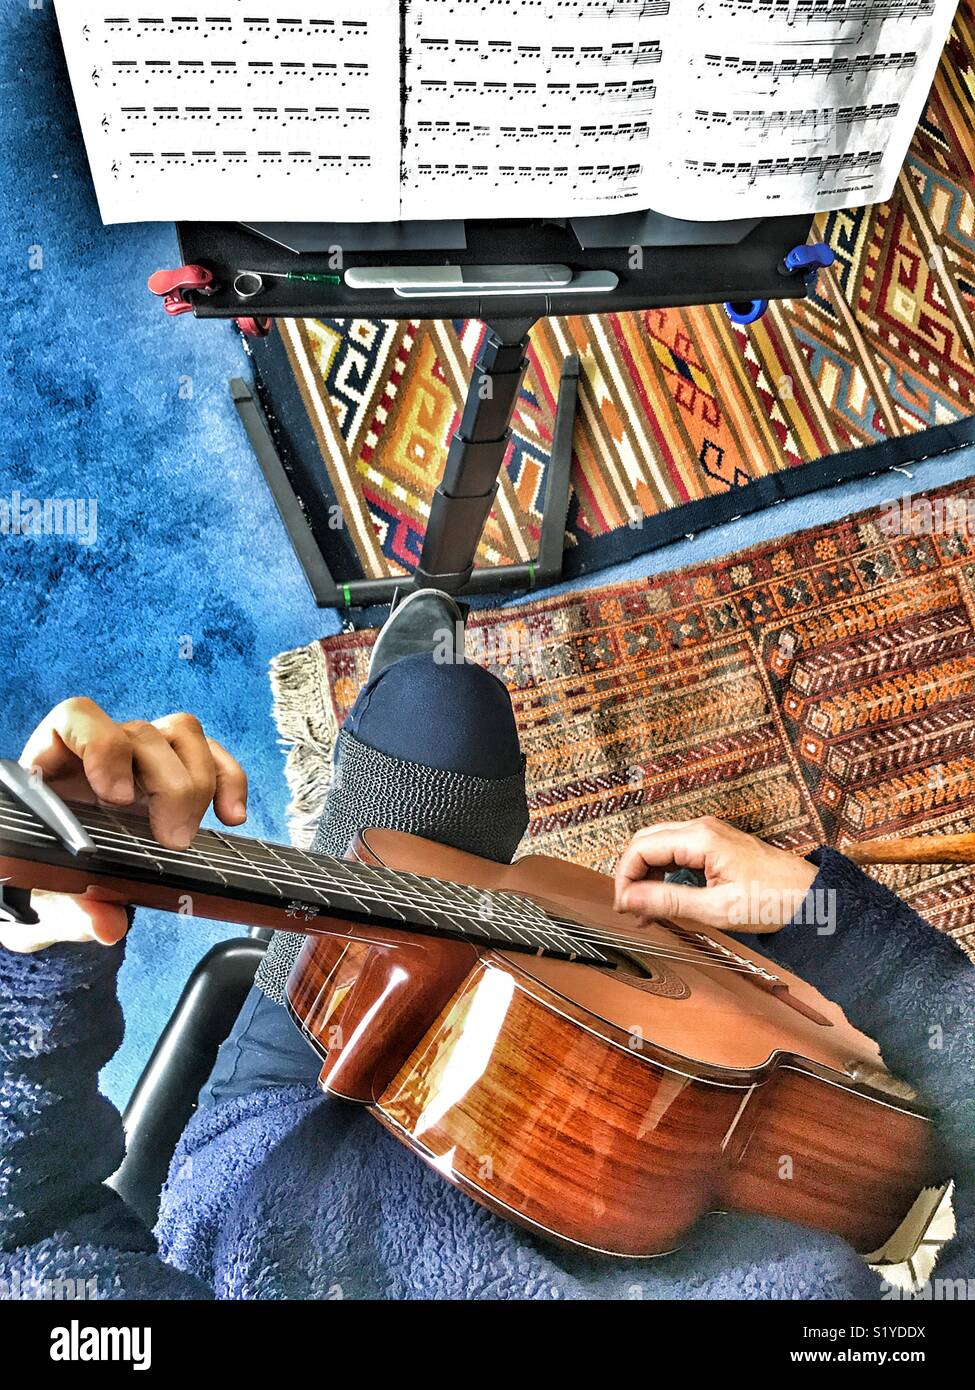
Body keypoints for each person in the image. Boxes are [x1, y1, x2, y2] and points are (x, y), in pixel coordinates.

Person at [1, 592, 972, 1300]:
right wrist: (836, 928)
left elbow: (30, 1244)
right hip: (681, 1162)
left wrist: (37, 936)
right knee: (467, 734)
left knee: (432, 715)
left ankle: (341, 907)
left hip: (290, 1155)